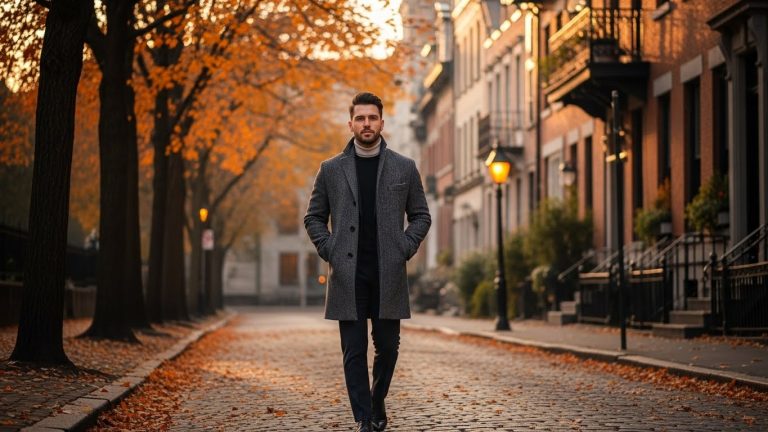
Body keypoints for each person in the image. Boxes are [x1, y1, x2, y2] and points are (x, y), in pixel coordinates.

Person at [304, 92, 431, 432]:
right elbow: (314, 216)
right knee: (354, 352)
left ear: (381, 123)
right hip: (348, 275)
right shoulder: (330, 169)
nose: (366, 124)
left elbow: (421, 215)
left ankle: (376, 402)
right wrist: (328, 248)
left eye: (372, 118)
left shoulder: (404, 167)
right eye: (360, 118)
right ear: (351, 124)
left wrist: (404, 246)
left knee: (388, 349)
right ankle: (363, 418)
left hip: (388, 273)